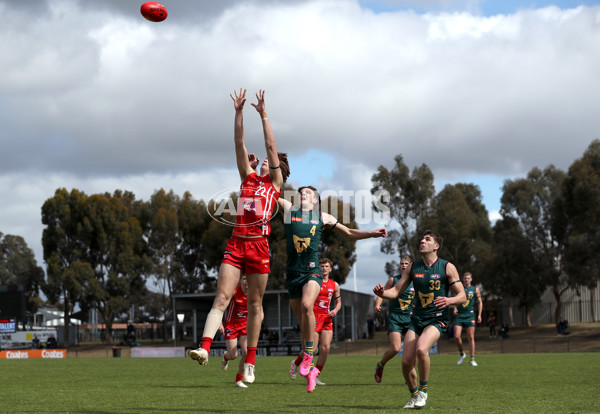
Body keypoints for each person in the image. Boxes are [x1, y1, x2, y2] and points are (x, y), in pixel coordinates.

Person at [190, 89, 290, 386]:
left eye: (271, 162)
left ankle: (249, 363)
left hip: (259, 246)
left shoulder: (274, 184)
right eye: (261, 162)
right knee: (222, 296)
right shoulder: (247, 177)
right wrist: (238, 112)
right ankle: (204, 348)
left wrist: (263, 114)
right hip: (236, 243)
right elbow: (238, 142)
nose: (263, 162)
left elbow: (271, 146)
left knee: (256, 305)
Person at [280, 186, 387, 393]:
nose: (303, 194)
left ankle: (309, 353)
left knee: (306, 304)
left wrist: (372, 234)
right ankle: (304, 354)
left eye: (308, 193)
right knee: (303, 321)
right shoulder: (287, 209)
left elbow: (347, 233)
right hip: (293, 274)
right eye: (301, 192)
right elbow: (272, 188)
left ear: (315, 199)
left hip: (312, 271)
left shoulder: (323, 217)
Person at [373, 230, 466, 409]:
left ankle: (423, 390)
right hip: (416, 320)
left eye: (427, 239)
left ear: (436, 246)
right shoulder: (413, 267)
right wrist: (382, 293)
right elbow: (395, 292)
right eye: (422, 239)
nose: (422, 241)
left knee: (422, 349)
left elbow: (462, 296)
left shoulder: (447, 267)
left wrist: (449, 300)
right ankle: (414, 395)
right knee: (406, 362)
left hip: (437, 319)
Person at [289, 257, 341, 387]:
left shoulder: (334, 285)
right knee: (313, 349)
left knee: (326, 348)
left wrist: (335, 310)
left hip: (327, 319)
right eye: (322, 266)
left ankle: (315, 375)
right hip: (314, 318)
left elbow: (339, 302)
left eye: (326, 266)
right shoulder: (314, 283)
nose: (324, 269)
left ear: (330, 269)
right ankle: (296, 363)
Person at [373, 256, 417, 384]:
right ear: (399, 266)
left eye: (406, 264)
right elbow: (382, 293)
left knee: (414, 350)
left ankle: (410, 375)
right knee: (396, 348)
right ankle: (380, 365)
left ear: (410, 266)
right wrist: (377, 304)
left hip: (410, 319)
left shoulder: (415, 281)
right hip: (395, 318)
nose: (404, 266)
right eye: (402, 263)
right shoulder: (393, 280)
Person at [220, 275, 250, 388]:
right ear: (240, 281)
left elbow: (258, 309)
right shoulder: (233, 292)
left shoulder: (253, 293)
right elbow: (221, 305)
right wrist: (219, 322)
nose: (246, 281)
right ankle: (225, 357)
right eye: (244, 279)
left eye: (248, 278)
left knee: (246, 352)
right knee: (233, 355)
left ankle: (238, 380)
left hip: (244, 326)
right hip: (231, 325)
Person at [453, 272, 482, 366]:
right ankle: (462, 354)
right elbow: (455, 300)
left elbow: (480, 302)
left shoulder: (475, 289)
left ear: (471, 279)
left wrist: (479, 315)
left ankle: (472, 359)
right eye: (465, 278)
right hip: (460, 315)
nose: (466, 280)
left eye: (468, 278)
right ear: (463, 279)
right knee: (457, 336)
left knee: (471, 337)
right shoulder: (459, 288)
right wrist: (454, 308)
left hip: (470, 315)